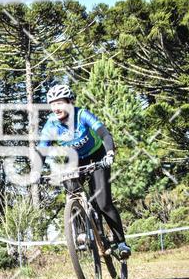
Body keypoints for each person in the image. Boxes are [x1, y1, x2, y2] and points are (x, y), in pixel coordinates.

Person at [38, 84, 131, 258]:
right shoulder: (51, 125)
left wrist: (110, 154)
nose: (56, 108)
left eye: (60, 103)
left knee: (103, 203)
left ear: (70, 102)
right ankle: (82, 233)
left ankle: (121, 243)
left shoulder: (81, 114)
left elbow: (105, 134)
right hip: (74, 159)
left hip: (97, 156)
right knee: (72, 194)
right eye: (53, 104)